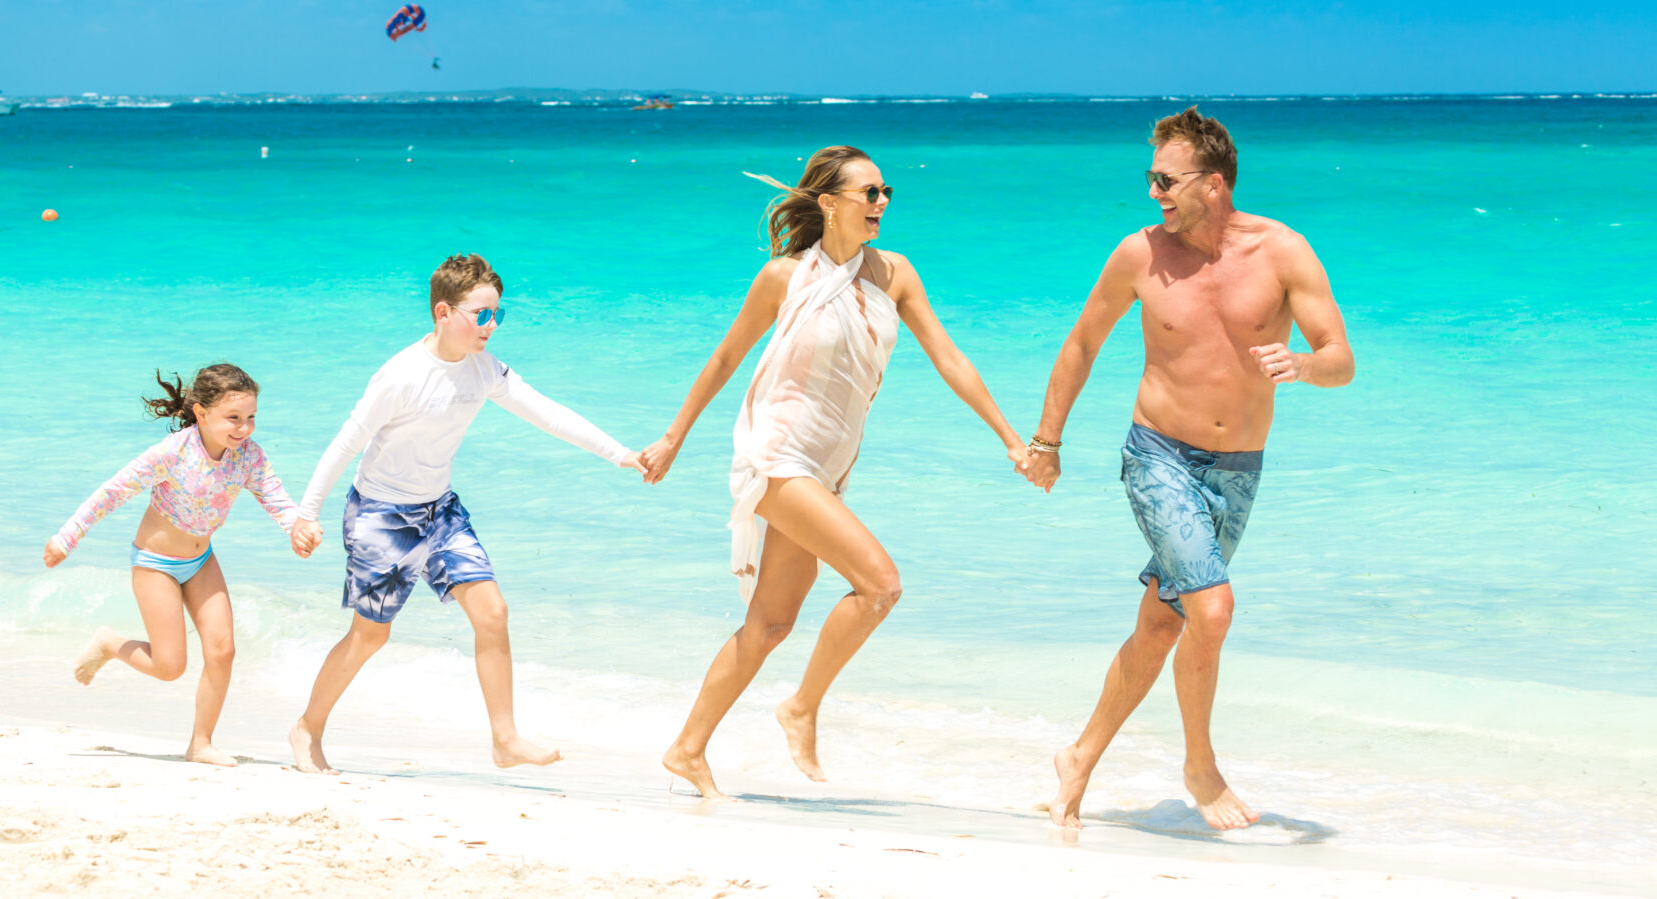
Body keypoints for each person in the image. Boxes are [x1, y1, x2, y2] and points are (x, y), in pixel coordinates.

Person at [641, 147, 1028, 800]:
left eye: (885, 191)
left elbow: (950, 358)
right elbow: (726, 357)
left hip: (827, 469)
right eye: (868, 193)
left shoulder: (894, 273)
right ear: (828, 202)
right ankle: (801, 707)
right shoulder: (785, 276)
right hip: (776, 456)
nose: (881, 203)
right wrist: (673, 436)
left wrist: (1012, 439)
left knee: (771, 624)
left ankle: (686, 749)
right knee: (879, 585)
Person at [1020, 107, 1354, 831]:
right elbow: (1081, 344)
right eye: (1151, 178)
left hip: (1238, 469)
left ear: (1213, 183)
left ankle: (1077, 758)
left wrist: (1301, 364)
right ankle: (1200, 766)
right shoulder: (1139, 254)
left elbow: (1341, 359)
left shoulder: (1283, 251)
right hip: (1158, 456)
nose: (1154, 193)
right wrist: (1047, 441)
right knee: (1213, 608)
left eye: (1166, 181)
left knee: (1160, 625)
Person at [286, 253, 647, 774]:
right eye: (481, 314)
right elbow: (346, 443)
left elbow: (547, 413)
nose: (491, 325)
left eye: (497, 313)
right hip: (383, 515)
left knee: (492, 613)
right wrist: (306, 514)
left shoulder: (484, 369)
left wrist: (621, 454)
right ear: (443, 312)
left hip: (441, 510)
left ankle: (505, 740)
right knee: (371, 635)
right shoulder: (401, 375)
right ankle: (307, 727)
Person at [46, 364, 302, 767]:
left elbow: (275, 497)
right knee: (169, 667)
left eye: (251, 417)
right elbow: (113, 491)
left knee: (222, 650)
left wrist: (298, 527)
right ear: (202, 413)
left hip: (200, 560)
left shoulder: (248, 456)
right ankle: (110, 644)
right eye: (233, 417)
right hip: (156, 565)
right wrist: (68, 536)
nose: (244, 428)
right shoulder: (172, 452)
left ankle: (200, 744)